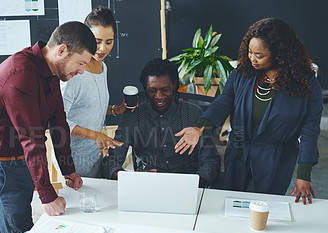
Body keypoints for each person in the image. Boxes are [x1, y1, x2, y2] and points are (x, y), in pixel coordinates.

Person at [0, 22, 96, 233]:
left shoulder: (51, 72)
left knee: (6, 228)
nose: (82, 71)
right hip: (0, 166)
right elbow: (32, 140)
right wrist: (47, 196)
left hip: (20, 161)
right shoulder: (21, 73)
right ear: (62, 50)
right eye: (81, 63)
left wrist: (69, 171)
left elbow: (58, 123)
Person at [174, 18, 323, 204]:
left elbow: (310, 128)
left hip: (276, 158)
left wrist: (304, 174)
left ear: (280, 54)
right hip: (238, 150)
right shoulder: (243, 73)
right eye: (250, 52)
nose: (252, 58)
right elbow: (225, 100)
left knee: (264, 207)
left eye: (259, 55)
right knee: (233, 203)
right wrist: (199, 127)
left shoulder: (306, 83)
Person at [105, 58, 221, 186]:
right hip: (147, 185)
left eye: (165, 89)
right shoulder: (134, 116)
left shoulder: (194, 114)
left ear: (174, 85)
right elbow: (112, 162)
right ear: (145, 87)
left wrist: (193, 183)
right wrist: (131, 178)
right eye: (152, 90)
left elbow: (211, 161)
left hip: (188, 184)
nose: (159, 96)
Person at [60, 6, 126, 178]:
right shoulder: (75, 72)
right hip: (71, 159)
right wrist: (94, 135)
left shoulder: (103, 67)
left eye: (109, 42)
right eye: (97, 41)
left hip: (95, 156)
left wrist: (114, 110)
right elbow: (59, 120)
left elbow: (89, 106)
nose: (103, 48)